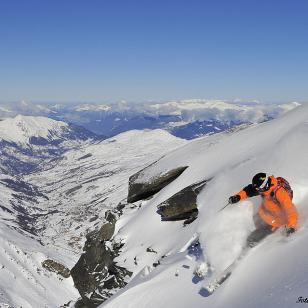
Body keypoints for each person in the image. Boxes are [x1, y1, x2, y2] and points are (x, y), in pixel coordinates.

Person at [229, 172, 298, 248]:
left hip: (274, 222)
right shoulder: (263, 188)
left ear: (266, 184)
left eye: (259, 188)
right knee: (252, 224)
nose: (258, 190)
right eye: (257, 188)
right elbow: (248, 190)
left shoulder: (279, 192)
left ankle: (247, 248)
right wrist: (237, 197)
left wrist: (291, 227)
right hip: (262, 214)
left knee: (252, 238)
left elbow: (290, 210)